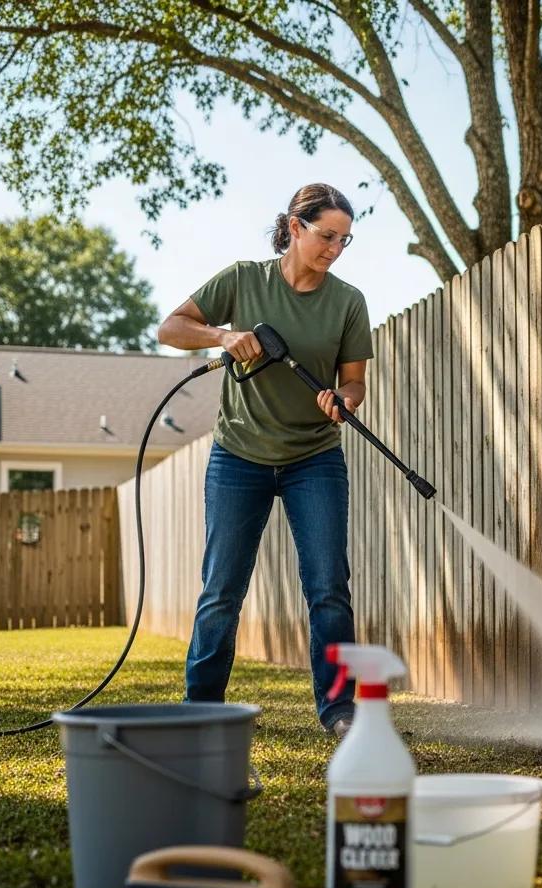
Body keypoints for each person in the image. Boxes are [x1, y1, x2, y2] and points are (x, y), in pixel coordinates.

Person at [156, 183, 372, 739]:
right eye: (327, 236)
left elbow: (354, 384)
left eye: (344, 240)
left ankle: (337, 708)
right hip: (239, 456)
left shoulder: (348, 301)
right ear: (296, 228)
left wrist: (341, 403)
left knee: (328, 586)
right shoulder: (243, 279)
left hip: (314, 459)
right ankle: (201, 708)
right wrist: (223, 335)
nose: (335, 249)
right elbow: (170, 327)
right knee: (221, 588)